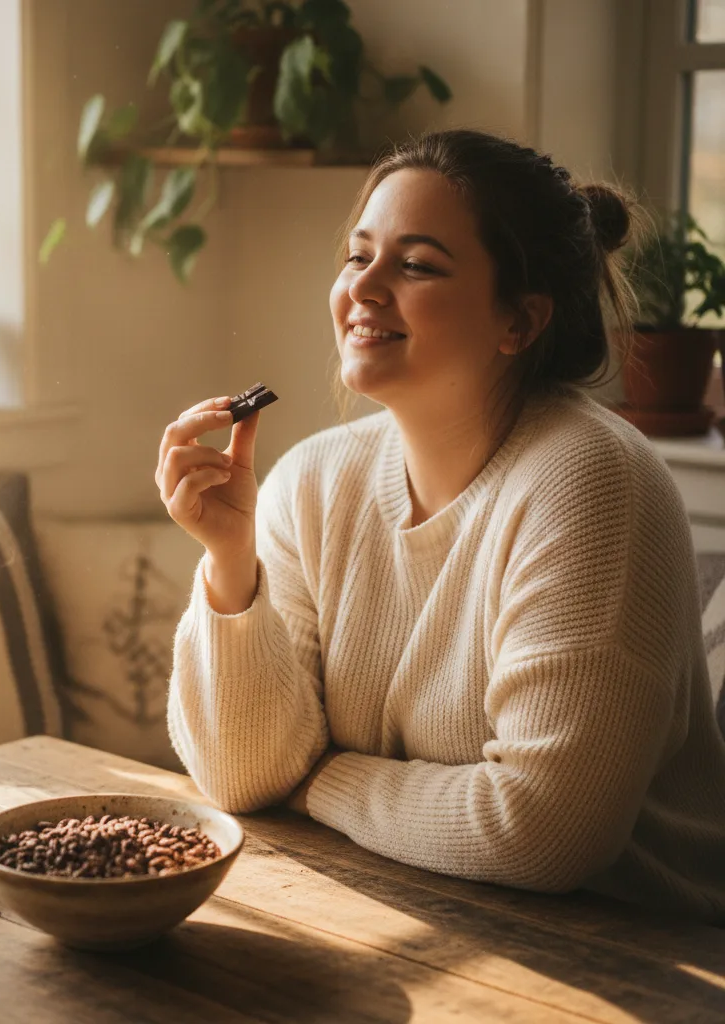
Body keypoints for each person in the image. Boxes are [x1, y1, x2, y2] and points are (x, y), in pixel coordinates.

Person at [155, 129, 725, 922]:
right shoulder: (311, 481)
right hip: (412, 909)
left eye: (416, 264)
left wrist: (319, 776)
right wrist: (229, 565)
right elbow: (243, 778)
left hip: (638, 950)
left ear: (520, 322)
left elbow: (544, 831)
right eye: (358, 256)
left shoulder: (591, 484)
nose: (365, 287)